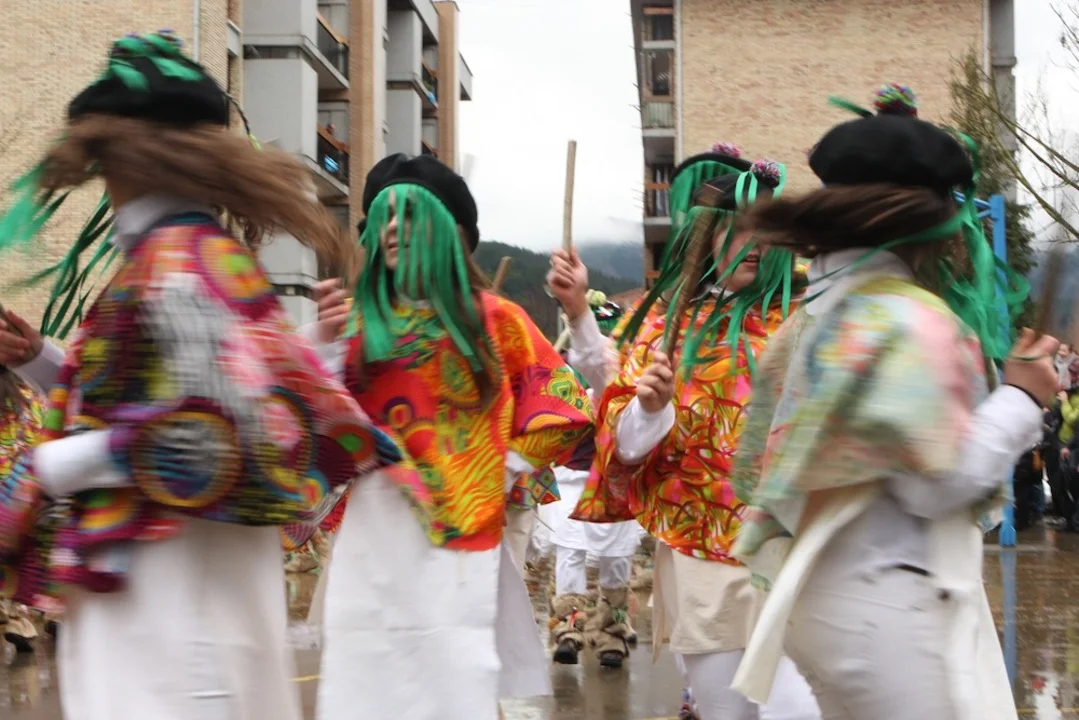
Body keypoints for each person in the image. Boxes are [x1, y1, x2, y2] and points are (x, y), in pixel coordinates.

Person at [0, 31, 398, 720]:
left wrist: (56, 464)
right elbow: (171, 401)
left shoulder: (179, 263)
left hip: (171, 608)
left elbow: (205, 437)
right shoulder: (188, 257)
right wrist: (40, 358)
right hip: (171, 602)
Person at [730, 85, 1047, 720]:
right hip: (887, 608)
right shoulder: (909, 319)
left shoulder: (812, 320)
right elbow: (935, 484)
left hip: (815, 599)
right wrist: (1022, 397)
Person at [309, 154, 593, 720]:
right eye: (384, 217)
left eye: (411, 215)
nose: (393, 228)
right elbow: (304, 429)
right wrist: (318, 349)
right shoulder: (354, 325)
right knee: (368, 672)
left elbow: (566, 408)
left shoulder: (496, 320)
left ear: (450, 233)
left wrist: (498, 467)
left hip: (462, 534)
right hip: (374, 529)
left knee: (452, 673)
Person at [571, 143, 819, 720]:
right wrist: (650, 410)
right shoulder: (667, 328)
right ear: (707, 238)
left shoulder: (808, 321)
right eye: (737, 230)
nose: (754, 244)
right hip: (703, 555)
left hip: (796, 554)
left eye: (765, 230)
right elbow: (622, 448)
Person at [532, 284, 643, 668]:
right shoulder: (561, 372)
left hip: (614, 477)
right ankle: (568, 626)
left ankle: (611, 631)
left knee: (617, 555)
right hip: (572, 475)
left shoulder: (630, 373)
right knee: (570, 551)